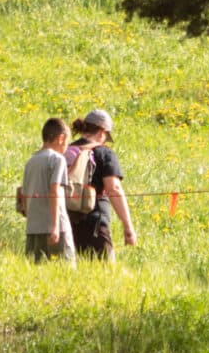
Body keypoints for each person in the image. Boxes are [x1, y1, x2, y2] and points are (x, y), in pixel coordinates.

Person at [66, 108, 138, 261]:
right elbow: (114, 189)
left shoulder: (67, 150)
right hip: (95, 224)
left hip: (66, 222)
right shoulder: (104, 153)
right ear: (102, 132)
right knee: (105, 274)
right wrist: (128, 226)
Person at [20, 117, 76, 264]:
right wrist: (55, 226)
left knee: (36, 275)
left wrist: (31, 221)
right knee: (64, 272)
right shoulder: (58, 160)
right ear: (61, 138)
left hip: (33, 229)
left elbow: (24, 195)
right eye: (67, 143)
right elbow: (54, 190)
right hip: (56, 229)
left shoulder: (30, 161)